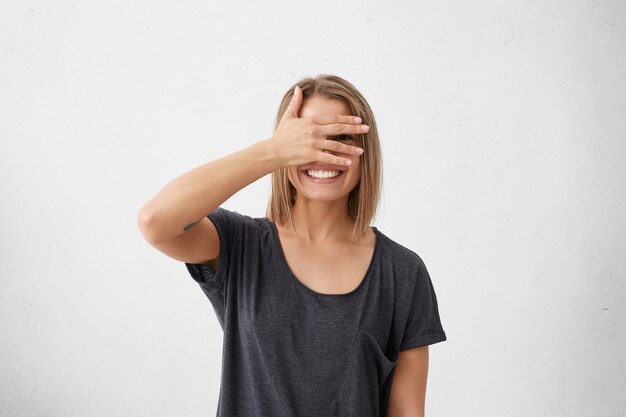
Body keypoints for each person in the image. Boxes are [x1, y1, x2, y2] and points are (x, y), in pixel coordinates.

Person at [137, 74, 447, 417]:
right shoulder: (240, 246)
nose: (324, 153)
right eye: (307, 139)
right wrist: (272, 151)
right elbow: (155, 221)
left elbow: (407, 411)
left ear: (364, 154)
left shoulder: (402, 273)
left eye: (340, 138)